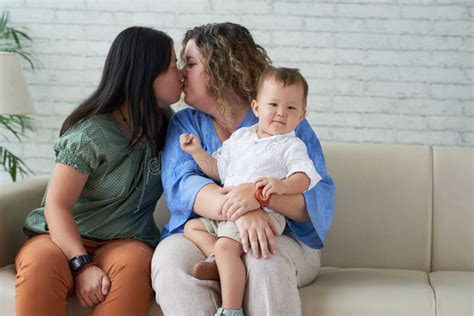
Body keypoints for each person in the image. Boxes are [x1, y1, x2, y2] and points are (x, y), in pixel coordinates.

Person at [151, 22, 335, 315]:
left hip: (283, 235)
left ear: (221, 67)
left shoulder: (283, 118)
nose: (181, 72)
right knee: (171, 263)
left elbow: (315, 199)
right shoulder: (184, 123)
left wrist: (261, 199)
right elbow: (182, 188)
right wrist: (243, 210)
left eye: (190, 63)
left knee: (263, 260)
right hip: (209, 231)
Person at [15, 26, 183, 316]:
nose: (180, 73)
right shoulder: (91, 133)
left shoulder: (172, 126)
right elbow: (57, 205)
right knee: (40, 263)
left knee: (134, 265)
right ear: (146, 74)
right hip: (63, 238)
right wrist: (81, 265)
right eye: (172, 65)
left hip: (127, 242)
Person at [179, 67, 323, 315]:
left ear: (301, 116)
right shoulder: (241, 137)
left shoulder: (291, 145)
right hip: (231, 213)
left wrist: (283, 186)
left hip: (264, 213)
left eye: (291, 108)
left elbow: (305, 176)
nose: (281, 113)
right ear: (256, 108)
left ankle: (230, 309)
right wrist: (197, 153)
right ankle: (219, 262)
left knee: (226, 246)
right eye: (274, 104)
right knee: (192, 228)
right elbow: (218, 170)